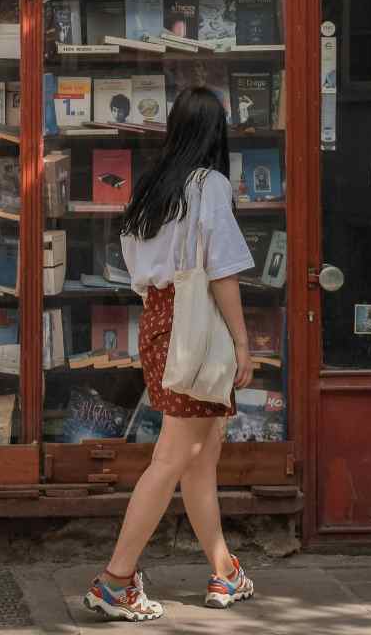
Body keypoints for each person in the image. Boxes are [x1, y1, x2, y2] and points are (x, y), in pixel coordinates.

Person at [84, 87, 257, 622]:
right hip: (197, 324)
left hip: (159, 321)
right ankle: (115, 580)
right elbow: (222, 271)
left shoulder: (152, 188)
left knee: (198, 457)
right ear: (216, 133)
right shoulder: (211, 186)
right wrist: (244, 342)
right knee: (172, 459)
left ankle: (224, 569)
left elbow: (138, 269)